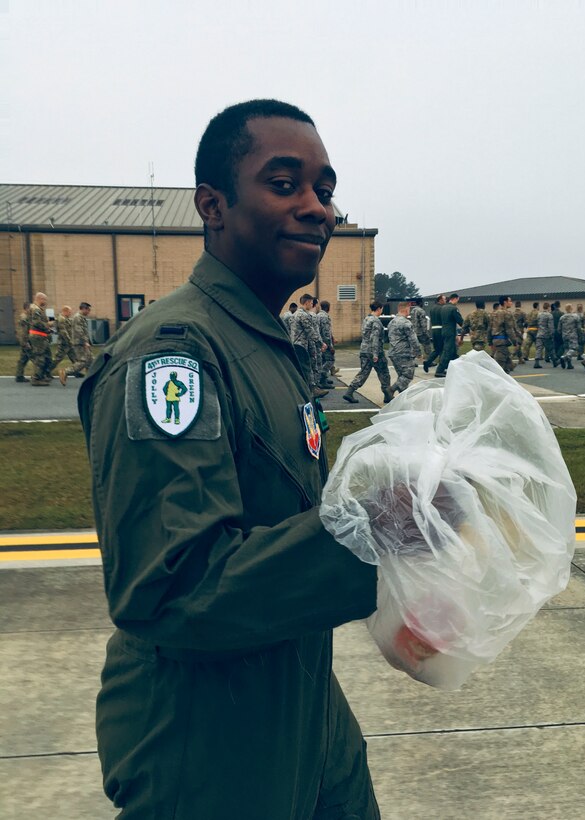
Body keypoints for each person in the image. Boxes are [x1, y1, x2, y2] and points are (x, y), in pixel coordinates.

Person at [78, 99, 380, 820]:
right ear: (211, 206)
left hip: (301, 707)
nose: (316, 208)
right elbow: (172, 588)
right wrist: (373, 534)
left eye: (325, 190)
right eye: (284, 184)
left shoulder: (262, 341)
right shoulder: (175, 353)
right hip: (210, 746)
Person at [343, 300, 393, 404]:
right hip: (375, 351)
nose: (382, 311)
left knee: (363, 373)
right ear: (379, 309)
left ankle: (350, 391)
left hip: (364, 350)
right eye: (381, 309)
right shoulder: (376, 321)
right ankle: (388, 394)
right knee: (384, 373)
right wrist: (375, 354)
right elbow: (374, 338)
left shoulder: (366, 319)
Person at [290, 292, 328, 398]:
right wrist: (321, 343)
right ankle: (311, 389)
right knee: (306, 368)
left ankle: (308, 389)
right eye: (311, 302)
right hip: (300, 346)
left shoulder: (296, 314)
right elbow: (310, 331)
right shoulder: (302, 315)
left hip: (298, 345)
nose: (312, 305)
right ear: (306, 302)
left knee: (303, 368)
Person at [387, 301, 420, 394]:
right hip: (404, 353)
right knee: (408, 375)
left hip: (393, 352)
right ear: (406, 309)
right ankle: (391, 390)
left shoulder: (391, 322)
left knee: (401, 376)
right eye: (409, 309)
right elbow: (413, 340)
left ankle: (403, 397)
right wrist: (418, 352)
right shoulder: (406, 323)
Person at [59, 302, 93, 384]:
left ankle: (90, 379)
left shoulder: (81, 317)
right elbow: (79, 331)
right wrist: (85, 342)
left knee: (90, 360)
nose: (89, 312)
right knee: (83, 361)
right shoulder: (78, 317)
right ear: (83, 309)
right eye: (88, 310)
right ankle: (66, 372)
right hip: (80, 343)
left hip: (82, 342)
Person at [434, 293, 463, 378]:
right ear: (456, 298)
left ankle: (455, 368)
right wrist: (466, 328)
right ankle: (439, 370)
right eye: (458, 300)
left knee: (453, 351)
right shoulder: (453, 308)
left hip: (444, 331)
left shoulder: (443, 307)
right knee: (447, 351)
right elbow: (460, 321)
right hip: (450, 332)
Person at [489, 295, 519, 373]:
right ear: (505, 302)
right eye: (510, 301)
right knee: (500, 367)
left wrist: (490, 342)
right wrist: (515, 342)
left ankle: (510, 366)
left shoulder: (493, 313)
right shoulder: (507, 313)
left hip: (495, 340)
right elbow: (509, 329)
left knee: (507, 364)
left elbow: (489, 328)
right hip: (502, 341)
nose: (511, 303)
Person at [28, 292, 53, 386]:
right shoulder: (35, 309)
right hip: (37, 337)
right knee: (40, 357)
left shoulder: (39, 309)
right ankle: (36, 378)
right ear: (40, 298)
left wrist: (48, 329)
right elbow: (37, 323)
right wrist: (48, 325)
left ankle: (42, 376)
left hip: (41, 336)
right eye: (44, 299)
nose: (45, 302)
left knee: (47, 357)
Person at [422, 293, 445, 372]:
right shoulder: (442, 308)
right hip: (440, 330)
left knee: (437, 349)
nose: (445, 300)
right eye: (444, 299)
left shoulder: (432, 309)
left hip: (434, 330)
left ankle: (428, 362)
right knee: (442, 349)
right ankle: (441, 368)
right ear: (440, 300)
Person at [51, 305, 77, 370]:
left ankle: (76, 371)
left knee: (74, 358)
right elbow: (63, 332)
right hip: (64, 343)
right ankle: (46, 371)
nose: (71, 314)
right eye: (69, 312)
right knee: (58, 358)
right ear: (65, 311)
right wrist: (69, 341)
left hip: (68, 342)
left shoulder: (66, 319)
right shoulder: (61, 319)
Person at [317, 299, 337, 384]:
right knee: (330, 360)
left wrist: (333, 338)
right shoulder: (324, 317)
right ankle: (322, 378)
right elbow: (326, 333)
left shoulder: (318, 315)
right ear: (328, 307)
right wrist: (330, 346)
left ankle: (323, 378)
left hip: (320, 343)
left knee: (323, 361)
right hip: (325, 344)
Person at [558, 304, 580, 369]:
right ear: (571, 308)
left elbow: (559, 329)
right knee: (574, 348)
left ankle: (569, 364)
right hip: (573, 334)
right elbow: (578, 328)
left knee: (567, 349)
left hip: (564, 335)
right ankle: (564, 358)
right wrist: (580, 334)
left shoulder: (562, 317)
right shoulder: (575, 317)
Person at [533, 301, 555, 369]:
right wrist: (552, 334)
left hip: (539, 333)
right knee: (550, 348)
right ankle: (555, 361)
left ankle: (536, 362)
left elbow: (537, 323)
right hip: (546, 334)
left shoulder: (539, 314)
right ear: (548, 307)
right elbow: (550, 326)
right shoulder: (549, 315)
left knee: (539, 348)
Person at [15, 300, 32, 382]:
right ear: (26, 308)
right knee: (34, 358)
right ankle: (38, 375)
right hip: (25, 341)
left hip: (24, 341)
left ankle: (19, 375)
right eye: (30, 308)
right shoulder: (24, 318)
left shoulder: (25, 317)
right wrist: (26, 343)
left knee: (23, 358)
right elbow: (24, 332)